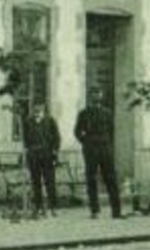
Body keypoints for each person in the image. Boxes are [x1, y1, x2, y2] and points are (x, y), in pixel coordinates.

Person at [73, 87, 122, 219]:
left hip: (105, 148)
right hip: (91, 149)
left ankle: (116, 211)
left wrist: (107, 143)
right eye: (93, 95)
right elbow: (77, 131)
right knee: (91, 179)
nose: (96, 98)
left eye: (98, 95)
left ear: (101, 97)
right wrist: (86, 142)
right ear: (90, 98)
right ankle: (95, 210)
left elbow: (111, 130)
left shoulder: (107, 113)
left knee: (111, 178)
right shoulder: (84, 114)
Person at [25, 102, 61, 218]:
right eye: (35, 106)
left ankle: (53, 207)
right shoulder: (28, 121)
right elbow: (25, 139)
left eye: (39, 106)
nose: (37, 108)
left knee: (50, 182)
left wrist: (54, 151)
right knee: (36, 183)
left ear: (43, 108)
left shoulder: (50, 121)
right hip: (34, 156)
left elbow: (57, 137)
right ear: (32, 108)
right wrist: (28, 151)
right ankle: (38, 207)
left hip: (47, 155)